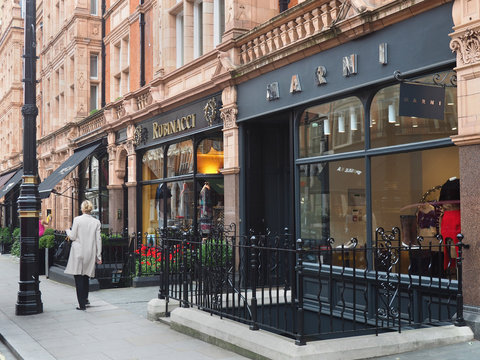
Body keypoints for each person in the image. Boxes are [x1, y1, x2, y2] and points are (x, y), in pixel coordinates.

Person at [65, 200, 102, 310]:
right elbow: (98, 240)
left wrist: (67, 230)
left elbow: (72, 236)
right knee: (86, 276)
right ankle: (85, 299)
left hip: (78, 252)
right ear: (90, 209)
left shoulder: (77, 220)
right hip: (90, 252)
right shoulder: (96, 222)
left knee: (78, 277)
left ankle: (81, 305)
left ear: (82, 209)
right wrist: (98, 256)